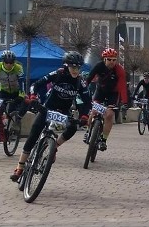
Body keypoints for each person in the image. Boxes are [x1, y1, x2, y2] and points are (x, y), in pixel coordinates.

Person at [9, 52, 91, 182]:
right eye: (72, 67)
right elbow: (35, 85)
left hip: (63, 112)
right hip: (48, 108)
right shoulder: (58, 73)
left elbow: (87, 101)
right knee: (34, 133)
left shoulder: (80, 82)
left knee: (73, 128)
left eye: (78, 67)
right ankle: (19, 167)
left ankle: (54, 147)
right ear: (67, 66)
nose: (75, 70)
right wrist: (33, 97)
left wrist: (84, 116)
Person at [84, 48, 128, 151]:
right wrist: (82, 90)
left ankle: (103, 140)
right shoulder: (99, 66)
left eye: (114, 60)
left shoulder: (119, 70)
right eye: (109, 59)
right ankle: (87, 132)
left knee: (109, 114)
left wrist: (125, 102)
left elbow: (122, 86)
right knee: (94, 111)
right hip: (100, 91)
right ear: (104, 59)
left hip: (113, 93)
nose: (112, 62)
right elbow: (89, 78)